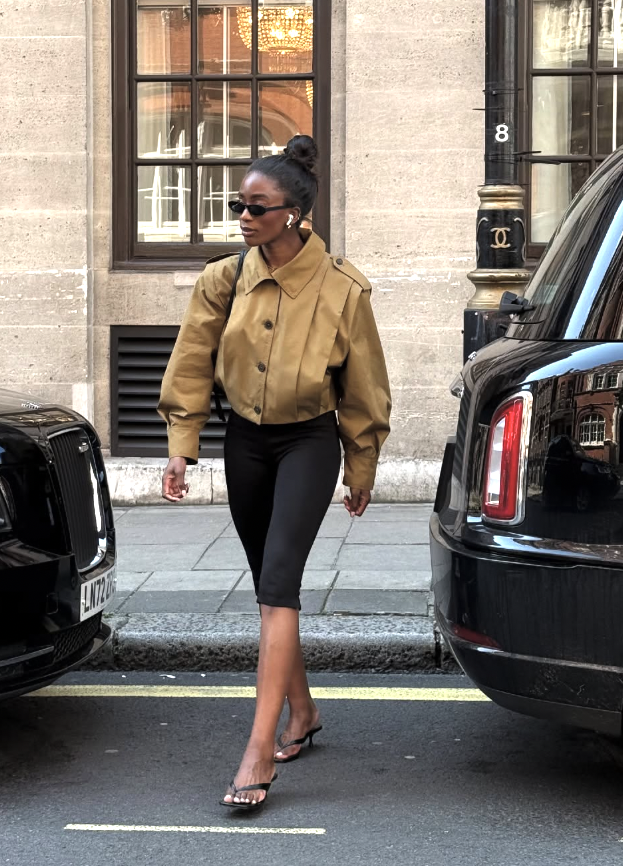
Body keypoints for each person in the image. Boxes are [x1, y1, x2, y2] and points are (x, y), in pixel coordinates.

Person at [158, 135, 391, 811]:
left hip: (309, 443)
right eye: (239, 205)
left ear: (294, 213)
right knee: (268, 585)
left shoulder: (343, 288)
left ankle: (258, 753)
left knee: (279, 584)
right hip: (245, 443)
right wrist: (181, 445)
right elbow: (191, 362)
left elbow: (365, 384)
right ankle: (304, 712)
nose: (243, 217)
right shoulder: (223, 279)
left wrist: (361, 464)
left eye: (256, 208)